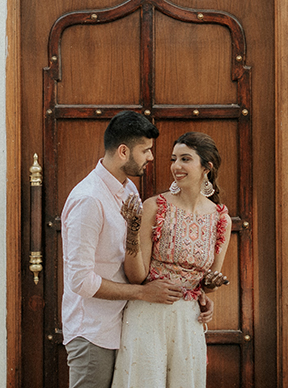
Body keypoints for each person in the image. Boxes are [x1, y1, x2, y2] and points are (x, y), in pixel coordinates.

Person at [61, 111, 189, 388]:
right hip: (93, 332)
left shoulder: (129, 190)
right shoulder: (88, 200)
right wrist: (143, 293)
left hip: (128, 327)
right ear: (123, 151)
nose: (151, 158)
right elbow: (81, 281)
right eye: (145, 151)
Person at [111, 132, 232, 388]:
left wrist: (209, 289)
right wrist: (132, 232)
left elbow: (208, 283)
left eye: (185, 159)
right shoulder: (155, 206)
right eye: (174, 159)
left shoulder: (221, 219)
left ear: (206, 167)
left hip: (188, 321)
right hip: (148, 315)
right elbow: (136, 276)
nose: (176, 166)